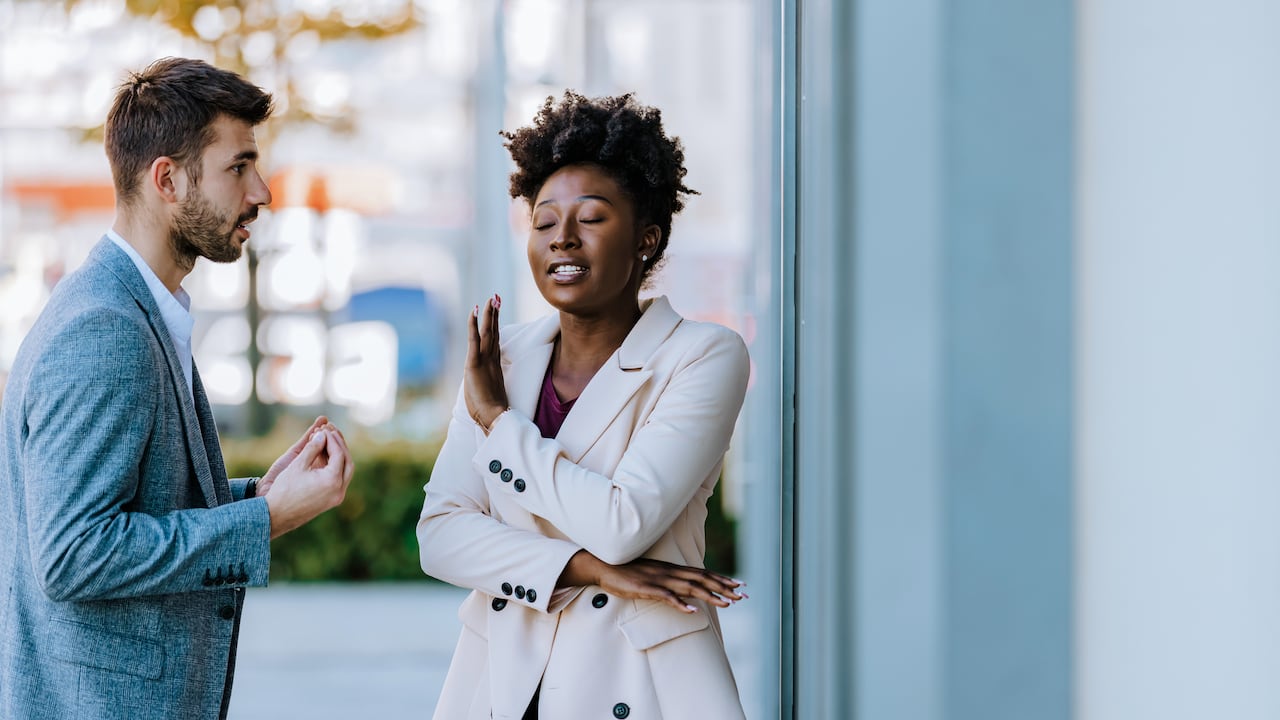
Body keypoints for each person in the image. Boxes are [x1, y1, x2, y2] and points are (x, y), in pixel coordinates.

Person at [0, 57, 355, 720]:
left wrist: (256, 497)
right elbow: (75, 555)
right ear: (167, 178)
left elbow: (130, 506)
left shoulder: (133, 307)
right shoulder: (106, 329)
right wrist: (263, 521)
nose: (263, 192)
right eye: (238, 167)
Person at [418, 91, 750, 719]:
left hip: (643, 683)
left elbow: (622, 525)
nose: (561, 240)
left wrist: (498, 422)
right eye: (544, 223)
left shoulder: (703, 355)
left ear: (646, 239)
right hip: (501, 685)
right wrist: (587, 570)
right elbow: (439, 537)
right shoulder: (504, 360)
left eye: (591, 219)